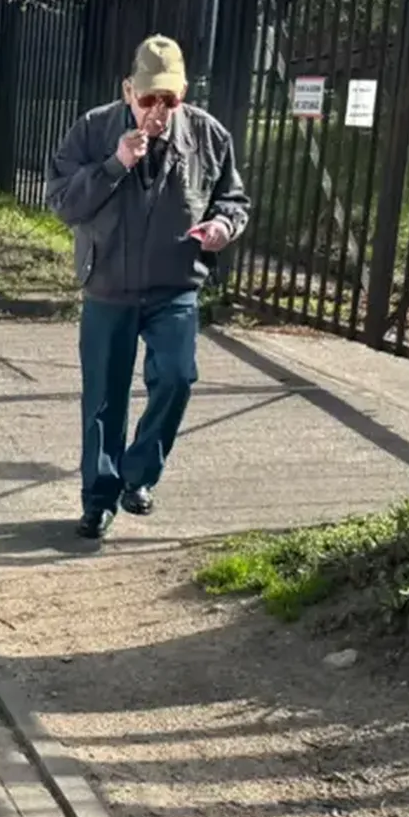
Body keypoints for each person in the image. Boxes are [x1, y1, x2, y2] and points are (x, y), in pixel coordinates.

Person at [46, 35, 249, 540]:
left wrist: (224, 227)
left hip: (175, 284)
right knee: (103, 398)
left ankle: (138, 475)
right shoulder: (93, 130)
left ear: (183, 95)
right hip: (109, 285)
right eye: (147, 98)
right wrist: (115, 164)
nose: (157, 110)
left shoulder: (208, 135)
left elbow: (232, 200)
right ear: (127, 92)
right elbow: (64, 203)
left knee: (177, 378)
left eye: (169, 99)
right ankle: (98, 499)